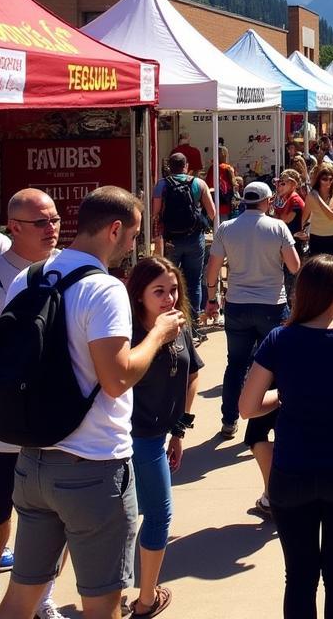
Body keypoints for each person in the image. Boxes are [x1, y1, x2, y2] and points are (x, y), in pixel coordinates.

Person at [0, 187, 184, 619]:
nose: (132, 246)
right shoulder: (104, 289)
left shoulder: (31, 276)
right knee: (103, 605)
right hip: (93, 467)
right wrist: (156, 336)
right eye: (133, 236)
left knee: (22, 595)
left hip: (34, 460)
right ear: (115, 229)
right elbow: (116, 379)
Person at [239, 256, 333, 619]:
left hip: (293, 470)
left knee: (299, 576)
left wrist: (283, 395)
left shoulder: (279, 339)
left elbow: (248, 406)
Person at [0, 191, 63, 619]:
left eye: (55, 219)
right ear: (13, 227)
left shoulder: (69, 271)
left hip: (56, 420)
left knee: (56, 519)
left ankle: (43, 599)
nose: (53, 228)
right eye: (41, 222)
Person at [125, 258, 203, 618]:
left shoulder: (179, 325)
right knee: (157, 516)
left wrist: (180, 431)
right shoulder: (127, 332)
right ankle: (145, 600)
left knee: (133, 515)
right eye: (159, 291)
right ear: (138, 295)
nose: (170, 298)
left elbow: (192, 374)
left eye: (174, 290)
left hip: (159, 436)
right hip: (132, 438)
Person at [204, 182, 301, 439]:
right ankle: (277, 418)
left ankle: (229, 420)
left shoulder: (227, 228)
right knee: (278, 366)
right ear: (268, 202)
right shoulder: (278, 227)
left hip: (237, 305)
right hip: (272, 305)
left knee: (235, 364)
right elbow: (294, 266)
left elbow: (212, 268)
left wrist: (211, 298)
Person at [151, 153, 216, 324]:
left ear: (169, 167)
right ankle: (192, 322)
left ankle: (172, 318)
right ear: (186, 165)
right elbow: (212, 213)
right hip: (194, 238)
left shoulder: (161, 185)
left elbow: (155, 214)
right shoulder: (199, 183)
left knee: (169, 279)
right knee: (194, 281)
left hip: (171, 239)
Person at [270, 170, 307, 305]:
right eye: (278, 183)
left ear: (292, 184)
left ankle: (292, 306)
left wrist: (275, 214)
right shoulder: (284, 199)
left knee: (291, 277)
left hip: (294, 243)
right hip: (285, 242)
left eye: (283, 183)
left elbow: (284, 219)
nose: (279, 187)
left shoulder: (295, 200)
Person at [302, 164, 333, 258]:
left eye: (331, 179)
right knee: (316, 268)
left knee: (332, 268)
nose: (328, 182)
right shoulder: (311, 196)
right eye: (324, 179)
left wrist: (318, 199)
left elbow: (332, 216)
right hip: (316, 235)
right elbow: (305, 216)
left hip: (332, 235)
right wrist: (302, 231)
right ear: (319, 180)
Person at [205, 145, 240, 221]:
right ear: (225, 155)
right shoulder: (228, 167)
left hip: (214, 199)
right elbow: (234, 184)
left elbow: (208, 183)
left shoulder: (212, 168)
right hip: (226, 201)